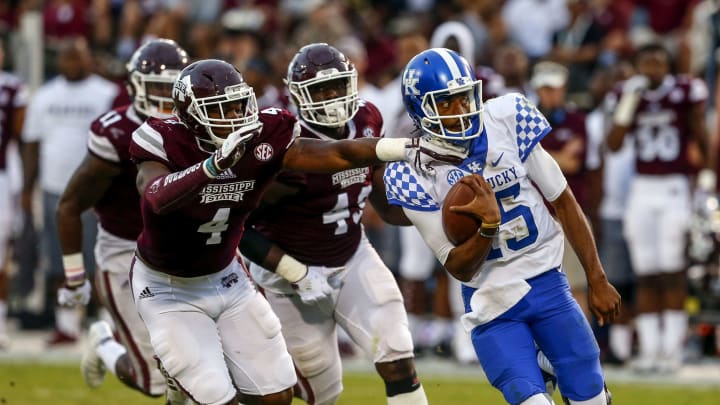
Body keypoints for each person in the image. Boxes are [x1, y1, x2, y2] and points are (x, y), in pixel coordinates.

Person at [128, 57, 441, 405]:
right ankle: (183, 377)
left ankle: (194, 368)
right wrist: (213, 166)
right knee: (217, 398)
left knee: (277, 396)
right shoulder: (161, 138)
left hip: (228, 276)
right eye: (222, 109)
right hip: (169, 283)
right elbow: (156, 197)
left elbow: (338, 153)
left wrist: (407, 148)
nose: (235, 117)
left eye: (238, 105)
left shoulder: (266, 134)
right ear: (191, 116)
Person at [384, 48, 620, 405]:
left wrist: (597, 278)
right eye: (446, 103)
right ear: (420, 109)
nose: (461, 110)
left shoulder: (507, 116)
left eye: (464, 97)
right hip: (490, 301)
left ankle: (549, 359)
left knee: (593, 401)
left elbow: (563, 199)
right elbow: (457, 266)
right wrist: (488, 226)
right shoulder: (412, 170)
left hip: (548, 281)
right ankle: (539, 360)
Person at [238, 43, 428, 405]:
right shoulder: (282, 144)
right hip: (288, 278)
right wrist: (296, 272)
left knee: (398, 353)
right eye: (320, 90)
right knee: (321, 393)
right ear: (298, 95)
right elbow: (240, 232)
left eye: (337, 86)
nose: (331, 98)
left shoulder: (367, 118)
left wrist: (430, 215)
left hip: (352, 255)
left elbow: (383, 202)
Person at [54, 39, 189, 397]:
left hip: (183, 251)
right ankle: (103, 342)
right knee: (155, 382)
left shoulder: (197, 126)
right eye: (156, 88)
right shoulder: (115, 133)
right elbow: (69, 205)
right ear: (134, 87)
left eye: (171, 89)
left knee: (196, 361)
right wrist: (74, 278)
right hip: (125, 254)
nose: (164, 98)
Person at [606, 43, 712, 373]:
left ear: (667, 65)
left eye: (659, 63)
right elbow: (614, 144)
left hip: (674, 186)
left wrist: (706, 176)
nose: (654, 69)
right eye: (647, 63)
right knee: (646, 271)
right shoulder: (629, 93)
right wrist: (628, 103)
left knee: (672, 269)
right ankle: (651, 350)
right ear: (638, 66)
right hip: (641, 188)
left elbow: (701, 134)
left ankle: (672, 350)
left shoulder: (684, 91)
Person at [21, 36, 120, 344]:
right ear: (59, 62)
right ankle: (68, 325)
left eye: (78, 57)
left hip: (95, 190)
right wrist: (27, 187)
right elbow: (33, 143)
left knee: (101, 259)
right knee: (61, 259)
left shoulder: (107, 93)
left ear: (89, 59)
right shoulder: (44, 96)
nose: (72, 64)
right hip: (54, 187)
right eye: (67, 58)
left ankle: (111, 324)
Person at [0, 38, 28, 349]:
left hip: (2, 176)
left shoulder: (13, 87)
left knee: (1, 256)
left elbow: (18, 135)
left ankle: (0, 322)